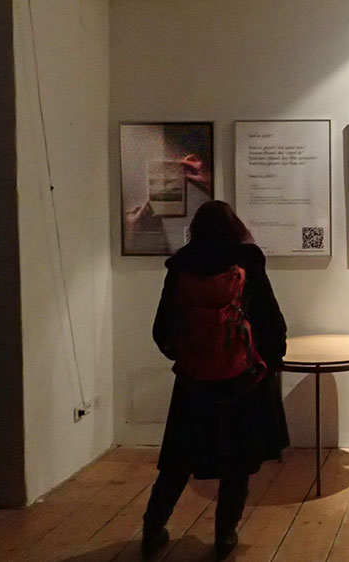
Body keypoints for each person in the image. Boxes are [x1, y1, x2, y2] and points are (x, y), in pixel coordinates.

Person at [141, 201, 288, 560]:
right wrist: (268, 360)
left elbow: (162, 330)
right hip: (241, 381)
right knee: (236, 464)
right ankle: (225, 536)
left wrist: (189, 355)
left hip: (193, 384)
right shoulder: (247, 262)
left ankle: (152, 530)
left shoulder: (181, 266)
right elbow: (270, 319)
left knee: (177, 462)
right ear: (234, 225)